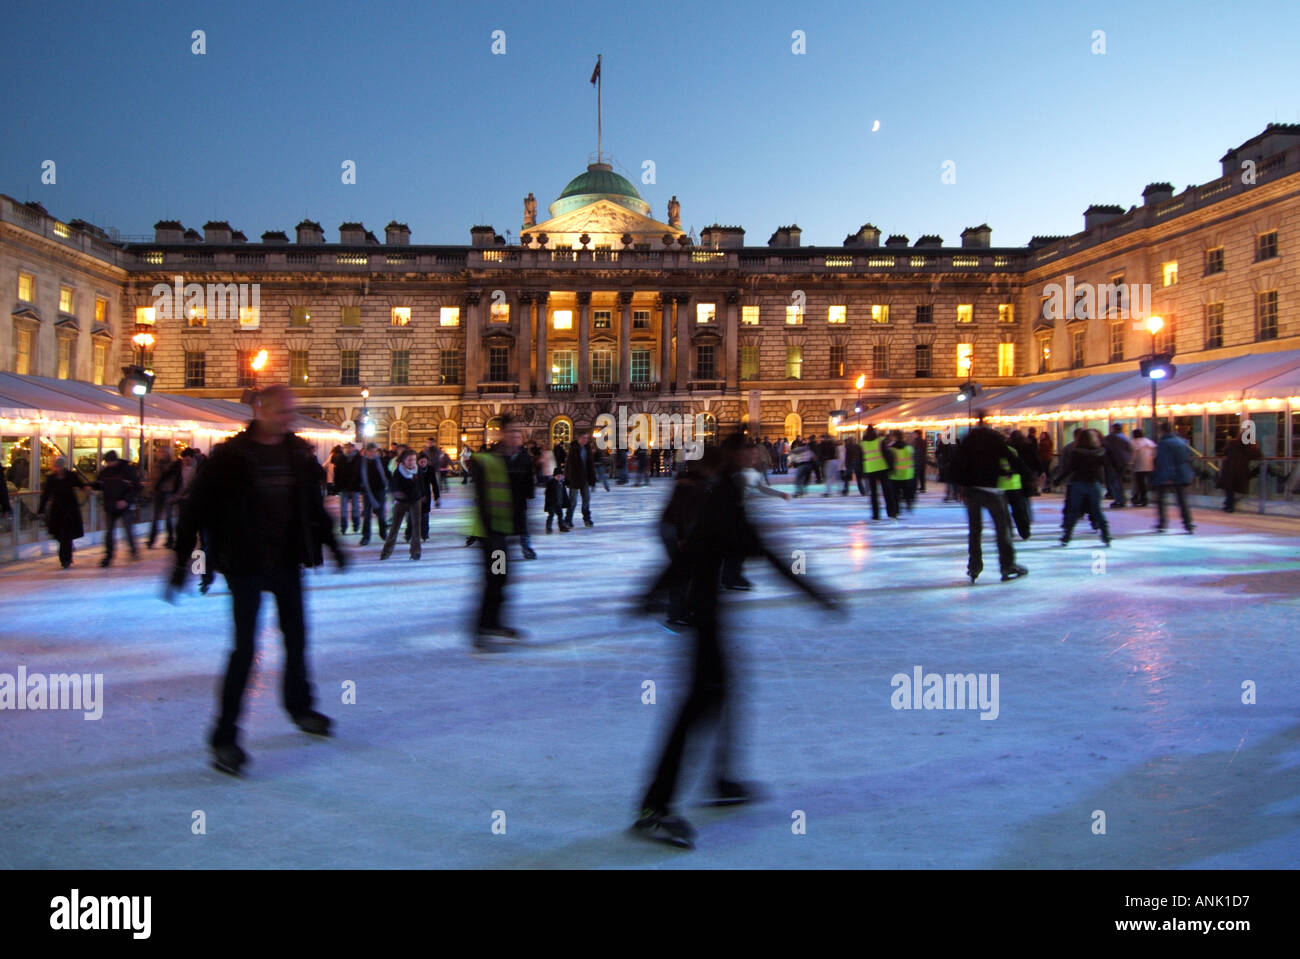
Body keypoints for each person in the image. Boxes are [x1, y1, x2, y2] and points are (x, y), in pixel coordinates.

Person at [632, 435, 836, 849]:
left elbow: (753, 548)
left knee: (722, 695)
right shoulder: (720, 495)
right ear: (736, 454)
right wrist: (652, 591)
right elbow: (699, 551)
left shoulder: (728, 492)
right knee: (698, 706)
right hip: (703, 613)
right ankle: (655, 808)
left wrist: (811, 590)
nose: (759, 453)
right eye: (752, 448)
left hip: (709, 612)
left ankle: (720, 779)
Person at [167, 385, 346, 776]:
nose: (289, 418)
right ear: (260, 409)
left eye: (291, 412)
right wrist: (182, 563)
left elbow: (312, 507)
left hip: (286, 562)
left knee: (297, 637)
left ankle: (300, 706)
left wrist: (333, 544)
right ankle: (224, 738)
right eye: (283, 411)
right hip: (244, 562)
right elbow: (195, 510)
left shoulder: (296, 453)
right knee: (244, 650)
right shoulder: (230, 457)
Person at [469, 414, 526, 649]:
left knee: (500, 578)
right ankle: (485, 626)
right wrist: (491, 537)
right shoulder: (489, 461)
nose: (516, 436)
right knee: (495, 578)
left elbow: (521, 497)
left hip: (504, 532)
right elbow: (481, 499)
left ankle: (492, 623)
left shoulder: (518, 460)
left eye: (518, 432)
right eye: (512, 432)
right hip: (491, 534)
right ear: (502, 433)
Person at [951, 413, 1027, 583]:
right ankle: (1007, 565)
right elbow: (1012, 459)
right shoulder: (995, 439)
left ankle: (974, 567)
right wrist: (1028, 476)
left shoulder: (968, 439)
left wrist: (960, 488)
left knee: (975, 531)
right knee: (1002, 530)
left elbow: (957, 464)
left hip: (972, 491)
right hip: (992, 491)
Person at [1058, 429, 1111, 547]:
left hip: (1078, 483)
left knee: (1074, 510)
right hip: (1094, 483)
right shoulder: (1100, 452)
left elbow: (1070, 468)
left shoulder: (1076, 452)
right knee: (1097, 511)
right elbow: (1107, 468)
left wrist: (1058, 479)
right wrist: (1106, 481)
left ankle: (1067, 535)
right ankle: (1106, 534)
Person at [93, 450, 141, 567]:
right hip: (110, 506)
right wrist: (89, 486)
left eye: (110, 462)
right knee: (109, 532)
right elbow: (99, 484)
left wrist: (126, 500)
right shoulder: (105, 472)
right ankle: (108, 556)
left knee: (128, 529)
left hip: (124, 506)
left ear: (115, 460)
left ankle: (133, 549)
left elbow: (136, 487)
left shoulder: (127, 470)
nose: (108, 464)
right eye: (107, 462)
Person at [38, 457, 86, 569]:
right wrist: (41, 509)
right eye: (56, 466)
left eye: (59, 466)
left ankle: (65, 559)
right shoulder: (51, 478)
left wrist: (86, 488)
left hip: (70, 509)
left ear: (63, 466)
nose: (57, 469)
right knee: (58, 534)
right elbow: (46, 495)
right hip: (57, 510)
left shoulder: (70, 476)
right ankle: (67, 551)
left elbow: (80, 484)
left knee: (65, 534)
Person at [1153, 421, 1196, 533]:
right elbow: (1189, 457)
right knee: (1182, 500)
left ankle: (1162, 523)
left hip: (1167, 475)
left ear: (1162, 431)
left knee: (1161, 500)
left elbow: (1164, 461)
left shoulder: (1163, 443)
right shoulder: (1182, 441)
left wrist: (1167, 476)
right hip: (1182, 474)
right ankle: (1188, 523)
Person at [381, 450, 422, 561]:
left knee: (416, 527)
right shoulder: (398, 472)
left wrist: (423, 495)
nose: (412, 462)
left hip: (415, 501)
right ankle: (386, 552)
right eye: (409, 460)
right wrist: (397, 492)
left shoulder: (418, 471)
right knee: (395, 526)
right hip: (402, 501)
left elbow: (422, 485)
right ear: (403, 461)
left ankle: (416, 552)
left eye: (414, 459)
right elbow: (393, 486)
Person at [146, 446, 182, 550]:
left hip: (167, 492)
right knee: (155, 518)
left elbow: (174, 479)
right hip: (158, 492)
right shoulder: (156, 464)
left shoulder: (172, 465)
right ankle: (152, 539)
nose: (160, 454)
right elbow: (153, 478)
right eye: (159, 452)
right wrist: (151, 489)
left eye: (162, 452)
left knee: (168, 517)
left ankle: (169, 539)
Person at [1218, 429, 1261, 513]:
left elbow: (1224, 452)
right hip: (1241, 470)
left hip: (1229, 469)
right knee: (1235, 488)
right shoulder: (1250, 446)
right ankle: (1229, 505)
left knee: (1229, 488)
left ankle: (1228, 505)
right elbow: (1258, 455)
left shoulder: (1232, 443)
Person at [861, 426, 897, 520]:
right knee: (887, 491)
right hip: (882, 467)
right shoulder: (880, 441)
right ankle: (891, 512)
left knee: (873, 494)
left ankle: (875, 515)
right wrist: (891, 467)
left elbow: (861, 458)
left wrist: (862, 471)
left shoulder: (863, 444)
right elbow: (887, 454)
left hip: (870, 469)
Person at [358, 443, 389, 545]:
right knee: (367, 515)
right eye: (370, 451)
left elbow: (386, 473)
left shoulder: (380, 461)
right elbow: (358, 476)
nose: (372, 453)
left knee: (381, 514)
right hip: (368, 490)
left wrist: (389, 484)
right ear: (366, 451)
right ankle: (366, 536)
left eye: (374, 451)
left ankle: (383, 533)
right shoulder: (362, 462)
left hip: (380, 489)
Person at [565, 430, 597, 528]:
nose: (585, 440)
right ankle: (568, 520)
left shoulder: (587, 449)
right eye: (583, 438)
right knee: (572, 501)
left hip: (585, 479)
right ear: (578, 439)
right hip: (575, 479)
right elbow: (568, 465)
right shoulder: (573, 449)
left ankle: (587, 519)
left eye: (587, 438)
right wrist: (568, 478)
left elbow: (590, 465)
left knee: (586, 500)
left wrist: (592, 478)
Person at [1101, 423, 1132, 508]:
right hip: (1123, 462)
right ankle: (1121, 499)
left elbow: (1105, 450)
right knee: (1119, 481)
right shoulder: (1124, 438)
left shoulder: (1110, 438)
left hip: (1113, 463)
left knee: (1114, 482)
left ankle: (1119, 499)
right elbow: (1129, 450)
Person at [334, 443, 362, 533]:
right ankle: (343, 526)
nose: (348, 450)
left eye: (349, 448)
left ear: (353, 448)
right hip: (343, 487)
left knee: (355, 508)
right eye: (346, 448)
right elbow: (337, 473)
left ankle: (356, 524)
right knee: (343, 508)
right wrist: (337, 486)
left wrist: (360, 485)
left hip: (355, 486)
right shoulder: (340, 459)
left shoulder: (359, 459)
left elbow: (361, 473)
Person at [888, 430, 916, 514]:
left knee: (895, 494)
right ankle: (908, 502)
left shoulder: (891, 449)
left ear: (894, 437)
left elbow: (889, 461)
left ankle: (896, 510)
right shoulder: (909, 448)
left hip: (895, 475)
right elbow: (914, 459)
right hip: (908, 474)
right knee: (907, 491)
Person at [1129, 428, 1157, 507]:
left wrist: (1130, 463)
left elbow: (1133, 455)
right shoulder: (1149, 442)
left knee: (1140, 483)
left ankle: (1141, 498)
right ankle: (1143, 498)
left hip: (1138, 466)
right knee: (1145, 483)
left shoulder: (1134, 442)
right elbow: (1154, 453)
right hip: (1149, 465)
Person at [543, 467, 571, 532]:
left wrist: (566, 501)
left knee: (560, 515)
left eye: (561, 476)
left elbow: (564, 493)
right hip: (552, 503)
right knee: (551, 515)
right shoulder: (551, 483)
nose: (559, 477)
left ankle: (562, 526)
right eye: (558, 476)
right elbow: (547, 493)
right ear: (554, 476)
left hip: (559, 503)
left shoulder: (562, 483)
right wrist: (549, 502)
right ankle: (548, 527)